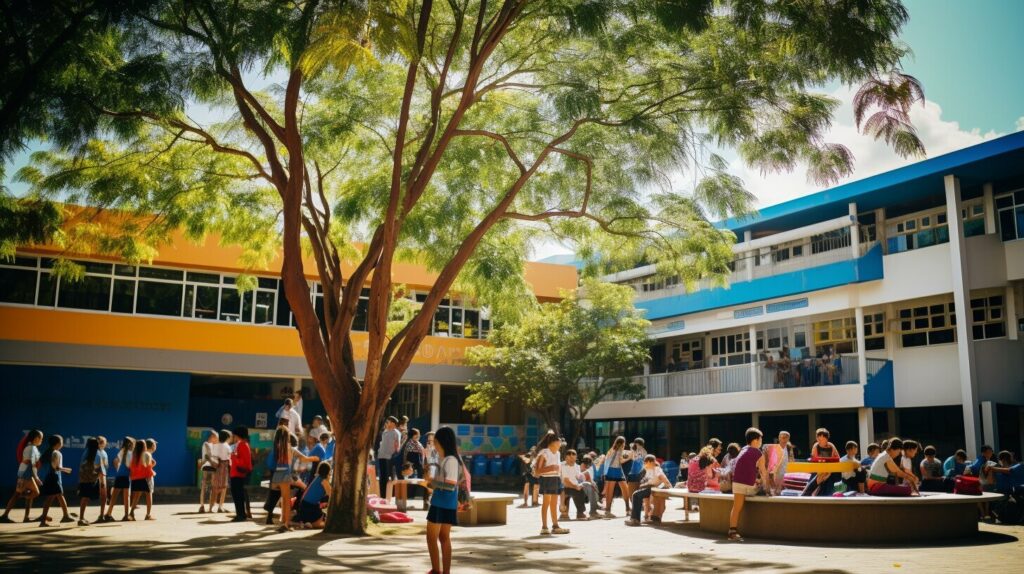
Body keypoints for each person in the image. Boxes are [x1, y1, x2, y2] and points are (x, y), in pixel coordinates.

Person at [421, 426, 464, 574]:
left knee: (433, 537)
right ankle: (441, 571)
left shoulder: (450, 460)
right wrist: (429, 479)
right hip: (445, 502)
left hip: (442, 503)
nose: (434, 445)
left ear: (443, 442)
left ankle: (437, 570)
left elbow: (450, 485)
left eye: (436, 442)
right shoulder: (444, 459)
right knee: (443, 537)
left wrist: (432, 482)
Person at [727, 428, 771, 541]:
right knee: (762, 489)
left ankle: (732, 531)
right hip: (749, 487)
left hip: (736, 483)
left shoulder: (743, 450)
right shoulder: (758, 453)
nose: (761, 442)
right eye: (761, 439)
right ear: (756, 440)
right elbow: (763, 473)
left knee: (736, 507)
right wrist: (767, 488)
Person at [1, 429, 43, 523]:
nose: (41, 440)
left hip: (24, 474)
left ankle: (11, 516)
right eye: (41, 438)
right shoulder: (31, 448)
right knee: (35, 493)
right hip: (27, 475)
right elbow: (30, 463)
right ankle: (20, 514)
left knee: (18, 494)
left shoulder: (31, 447)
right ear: (36, 438)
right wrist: (36, 477)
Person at [533, 431, 568, 535]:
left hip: (555, 479)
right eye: (558, 442)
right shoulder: (544, 453)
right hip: (547, 480)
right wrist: (551, 468)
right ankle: (544, 527)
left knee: (553, 503)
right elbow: (537, 472)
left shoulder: (558, 453)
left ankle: (555, 526)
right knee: (546, 503)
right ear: (553, 443)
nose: (560, 444)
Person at [37, 434, 73, 527]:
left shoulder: (49, 452)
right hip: (54, 478)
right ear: (58, 443)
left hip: (50, 477)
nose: (62, 444)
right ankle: (44, 520)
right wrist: (66, 470)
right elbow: (56, 467)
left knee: (55, 497)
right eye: (61, 442)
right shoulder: (56, 453)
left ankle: (65, 516)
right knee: (54, 497)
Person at [625, 455, 672, 526]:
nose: (644, 464)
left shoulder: (657, 469)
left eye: (645, 462)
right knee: (636, 494)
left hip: (654, 488)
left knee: (636, 495)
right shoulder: (647, 470)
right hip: (650, 488)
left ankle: (635, 519)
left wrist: (658, 488)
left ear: (650, 462)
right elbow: (644, 482)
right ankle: (635, 519)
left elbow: (665, 482)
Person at [292, 461, 332, 529]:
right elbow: (331, 494)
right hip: (310, 506)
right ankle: (309, 524)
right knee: (325, 524)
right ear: (328, 471)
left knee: (323, 520)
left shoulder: (317, 478)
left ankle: (304, 523)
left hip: (304, 505)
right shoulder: (324, 481)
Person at [104, 436, 134, 522]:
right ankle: (126, 515)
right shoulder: (130, 453)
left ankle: (108, 514)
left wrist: (118, 469)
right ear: (130, 444)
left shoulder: (122, 451)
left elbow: (115, 461)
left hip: (119, 475)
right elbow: (129, 466)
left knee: (114, 496)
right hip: (126, 476)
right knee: (127, 496)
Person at [76, 437, 104, 526]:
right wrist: (99, 475)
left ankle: (82, 517)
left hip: (84, 479)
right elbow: (98, 468)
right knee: (85, 498)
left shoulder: (86, 452)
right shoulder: (96, 454)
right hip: (90, 479)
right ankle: (81, 519)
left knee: (85, 498)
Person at [802, 428, 839, 496]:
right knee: (812, 485)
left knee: (830, 486)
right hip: (818, 470)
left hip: (829, 470)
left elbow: (837, 458)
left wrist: (829, 469)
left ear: (826, 438)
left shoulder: (831, 446)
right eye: (818, 438)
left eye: (821, 438)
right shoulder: (816, 446)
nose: (819, 440)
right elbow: (814, 459)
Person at [560, 449, 594, 520]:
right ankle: (580, 513)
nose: (571, 460)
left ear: (576, 458)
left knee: (589, 486)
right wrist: (576, 486)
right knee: (578, 491)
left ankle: (592, 510)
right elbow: (566, 481)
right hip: (564, 487)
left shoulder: (577, 466)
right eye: (569, 458)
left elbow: (578, 478)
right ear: (566, 458)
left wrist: (582, 483)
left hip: (574, 486)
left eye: (573, 458)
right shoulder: (562, 465)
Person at [128, 438, 156, 521]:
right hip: (146, 478)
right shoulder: (146, 454)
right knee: (149, 495)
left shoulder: (134, 455)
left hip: (136, 478)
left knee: (136, 496)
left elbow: (131, 467)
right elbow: (150, 464)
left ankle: (131, 513)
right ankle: (148, 515)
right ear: (144, 446)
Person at [601, 436, 629, 517]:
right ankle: (627, 509)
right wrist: (629, 458)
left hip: (613, 471)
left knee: (611, 491)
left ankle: (608, 510)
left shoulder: (611, 450)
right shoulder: (619, 450)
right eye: (624, 443)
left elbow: (607, 461)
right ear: (622, 443)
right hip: (616, 471)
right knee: (624, 489)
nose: (624, 444)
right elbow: (620, 461)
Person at [229, 426, 253, 522]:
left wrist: (234, 457)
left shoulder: (242, 444)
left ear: (238, 435)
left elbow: (244, 461)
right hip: (237, 473)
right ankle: (240, 514)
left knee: (237, 495)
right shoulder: (242, 444)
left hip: (238, 474)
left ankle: (240, 515)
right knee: (238, 495)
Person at [377, 416, 401, 501]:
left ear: (393, 423)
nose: (386, 423)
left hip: (389, 457)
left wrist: (395, 456)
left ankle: (389, 496)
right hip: (381, 456)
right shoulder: (385, 432)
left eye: (388, 422)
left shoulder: (396, 433)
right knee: (382, 477)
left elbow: (397, 446)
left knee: (389, 478)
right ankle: (382, 496)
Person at [198, 429, 219, 513]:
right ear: (212, 437)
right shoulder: (206, 444)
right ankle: (202, 505)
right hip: (208, 467)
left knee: (211, 487)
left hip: (211, 466)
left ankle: (209, 507)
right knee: (205, 487)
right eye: (216, 437)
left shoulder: (213, 445)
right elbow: (209, 455)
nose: (217, 439)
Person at [212, 429, 232, 512]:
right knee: (224, 486)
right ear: (227, 438)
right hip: (224, 466)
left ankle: (212, 505)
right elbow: (229, 456)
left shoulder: (215, 445)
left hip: (216, 466)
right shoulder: (227, 446)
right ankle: (220, 506)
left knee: (215, 485)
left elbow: (213, 456)